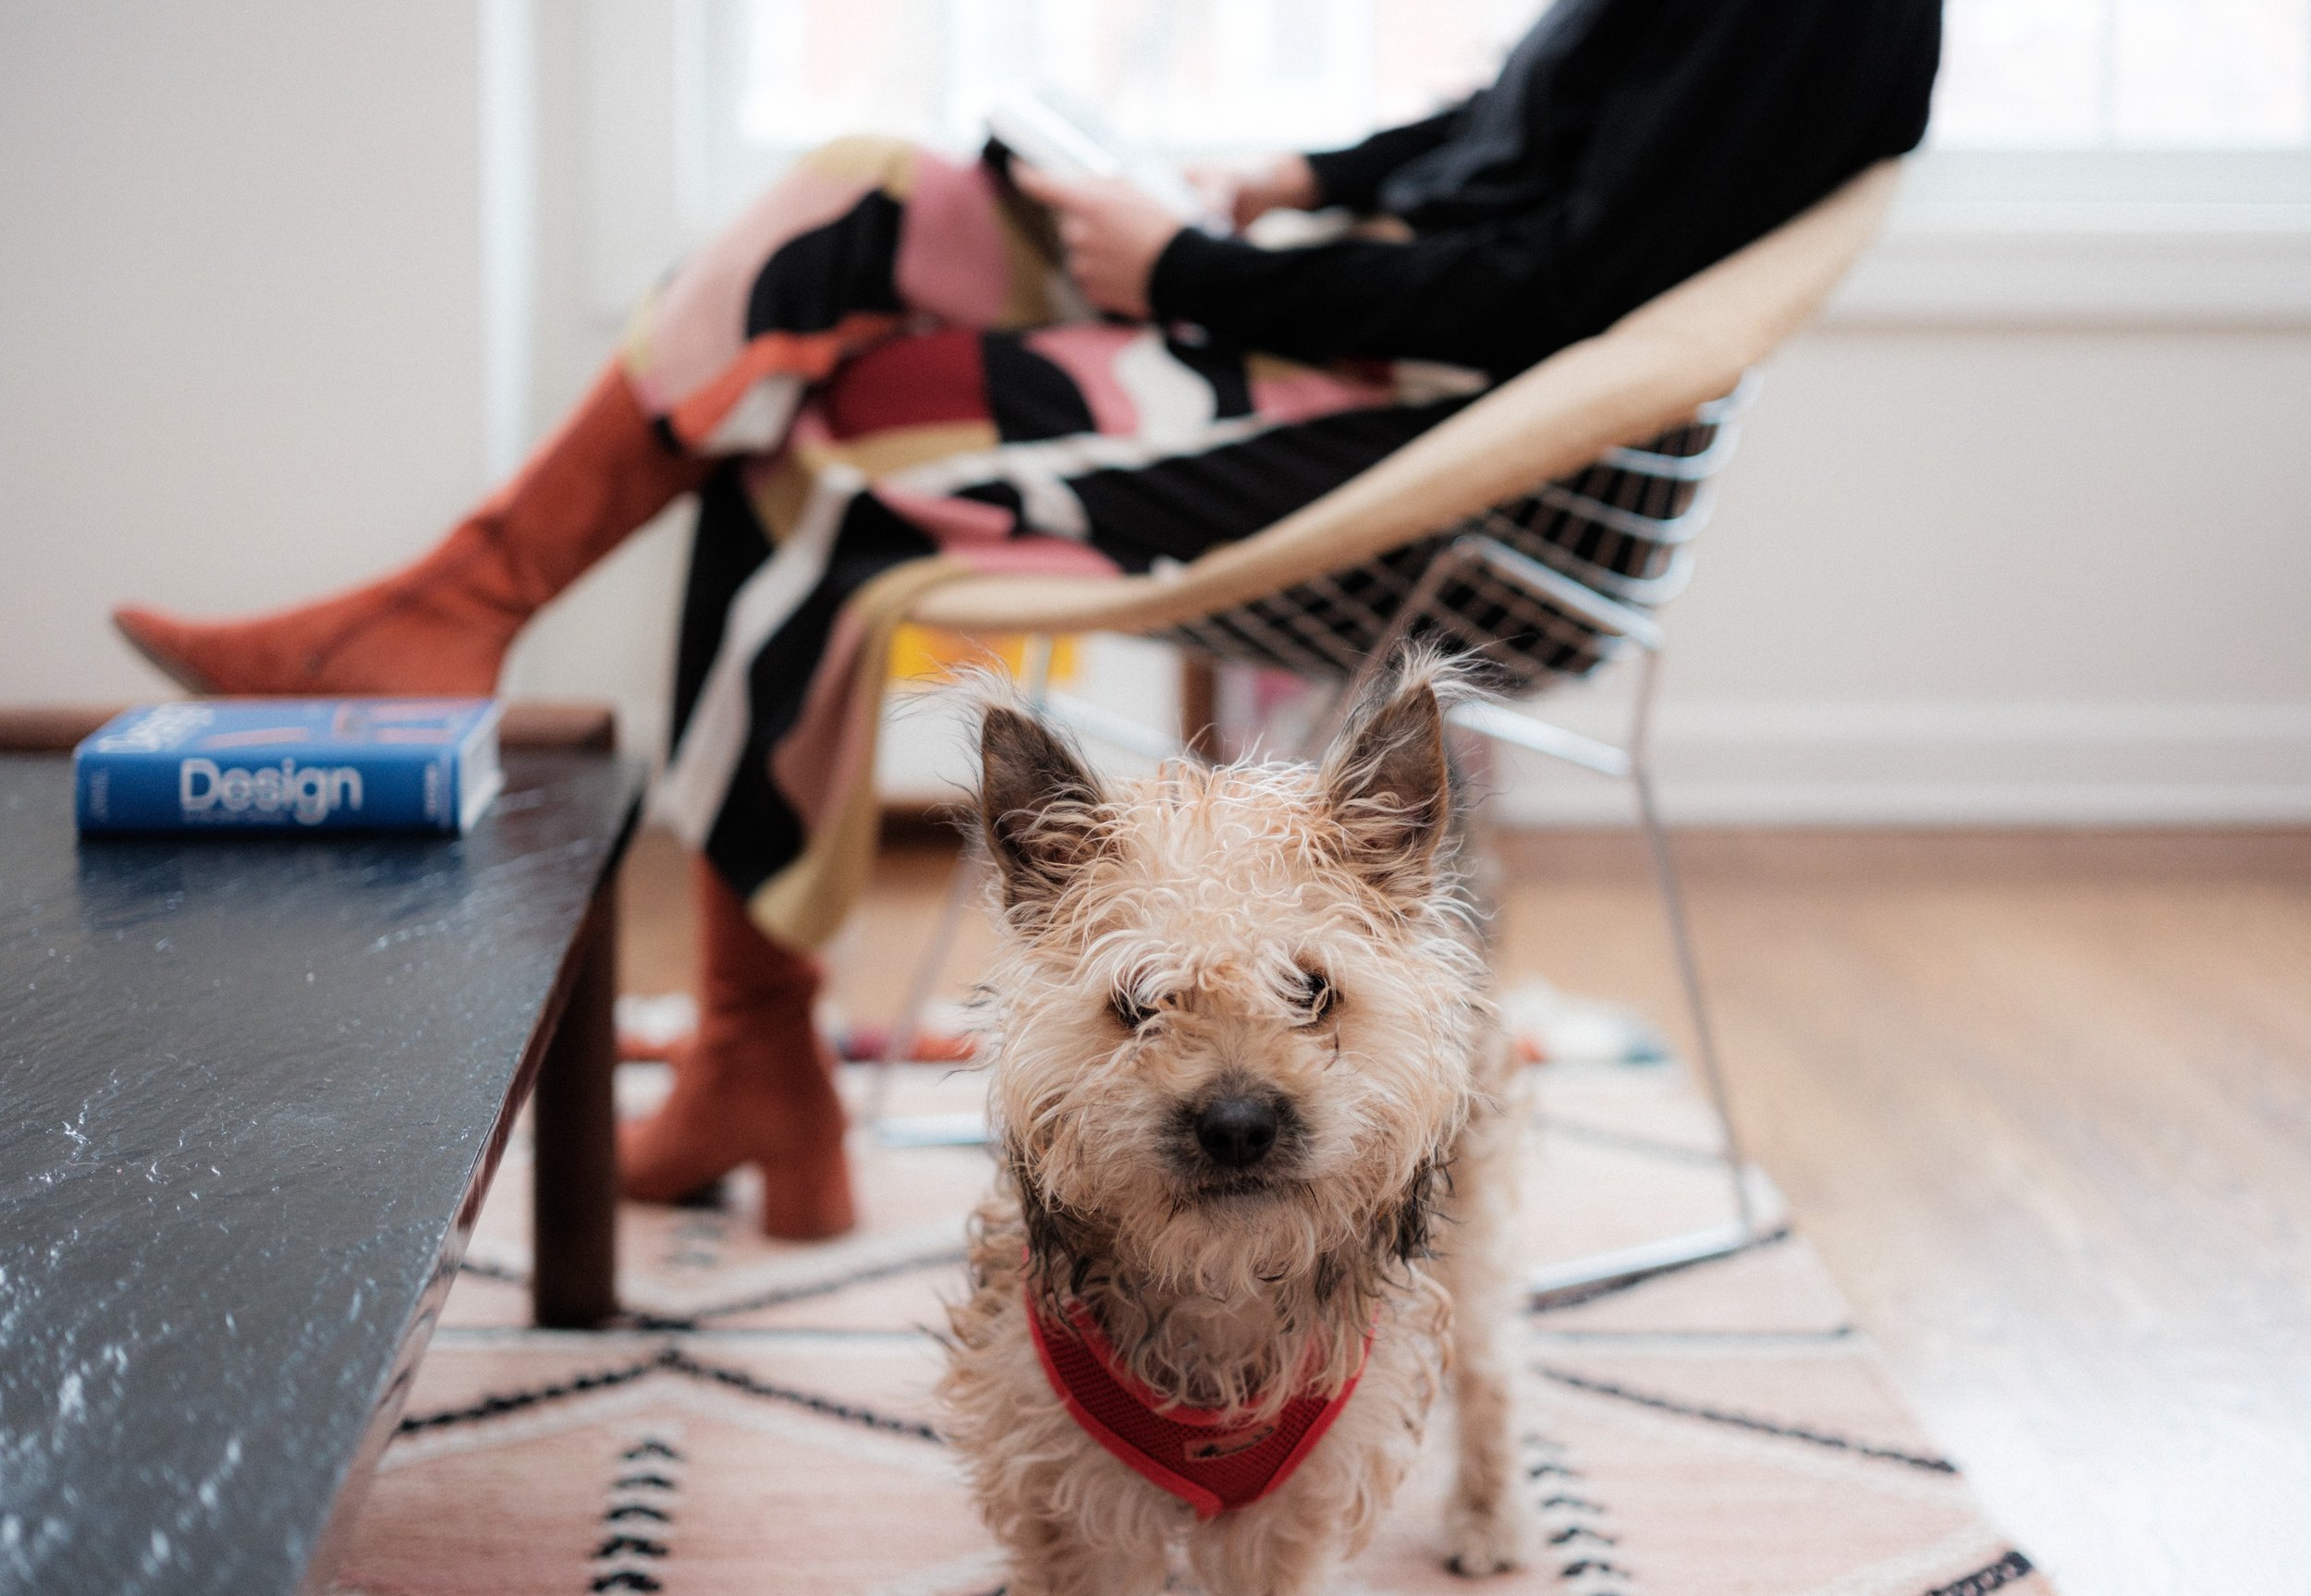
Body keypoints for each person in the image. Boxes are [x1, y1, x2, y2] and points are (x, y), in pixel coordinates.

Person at [113, 0, 1941, 1239]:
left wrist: (1192, 270)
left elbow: (1564, 284)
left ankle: (675, 925)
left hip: (1454, 452)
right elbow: (1521, 136)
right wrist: (1287, 189)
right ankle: (712, 991)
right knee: (842, 248)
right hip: (1363, 351)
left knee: (812, 414)